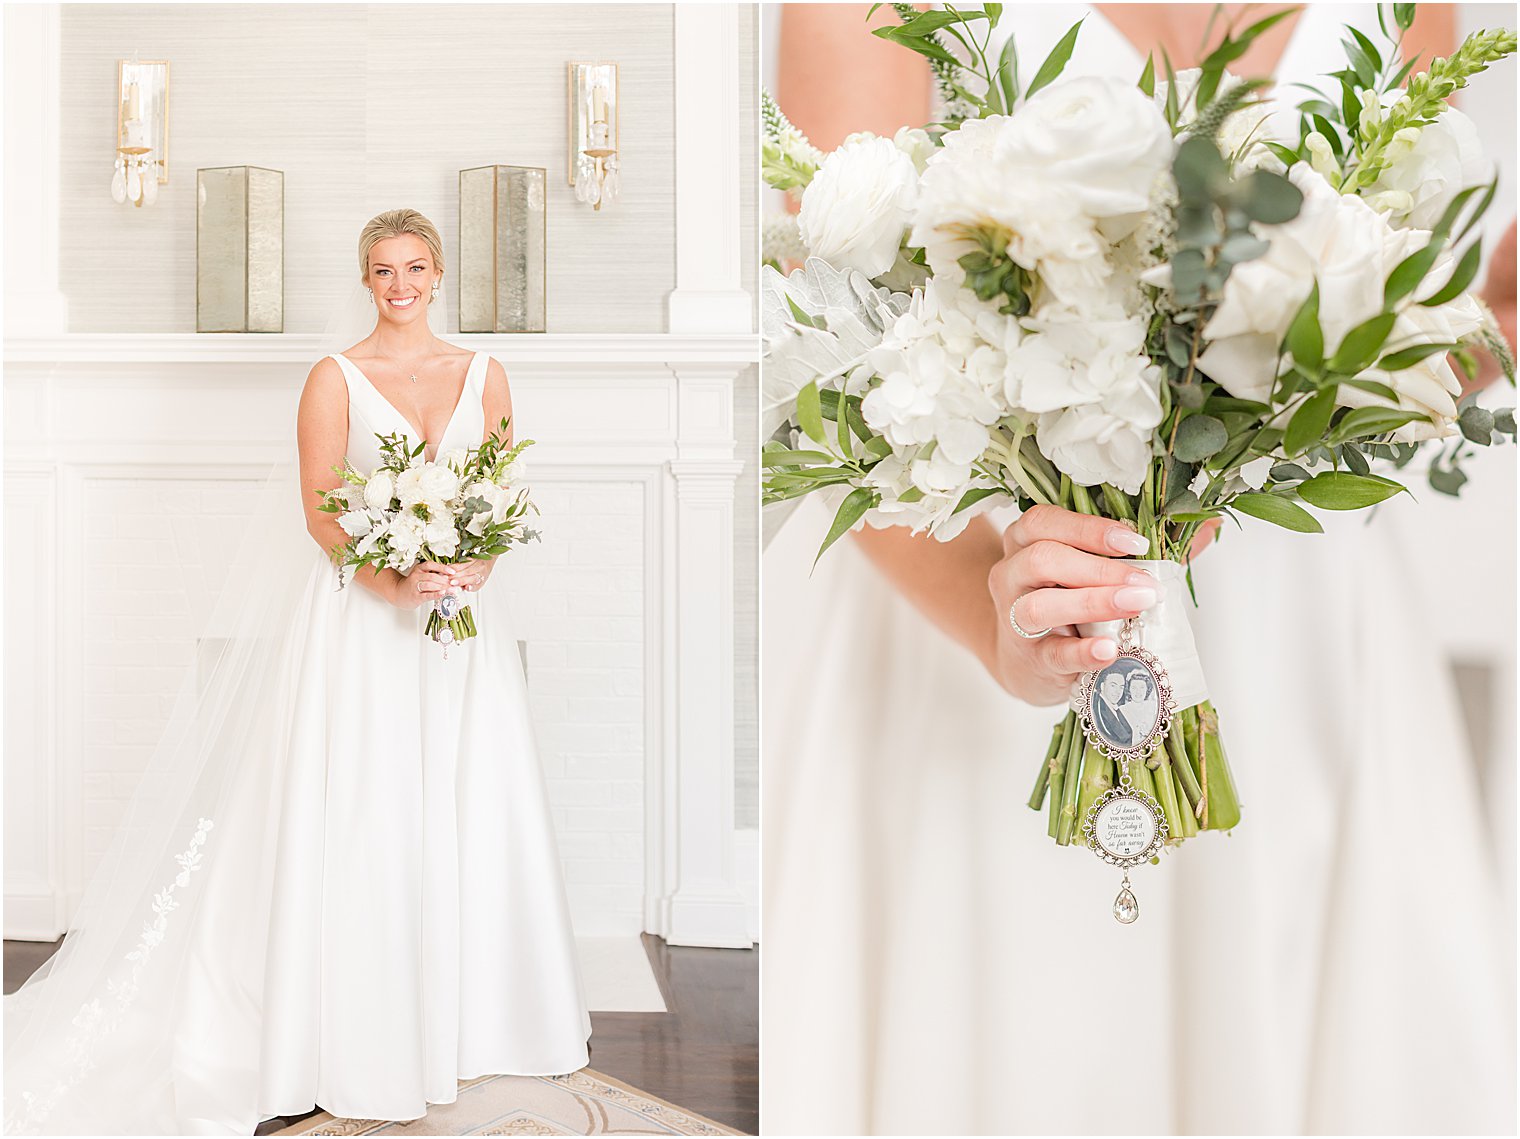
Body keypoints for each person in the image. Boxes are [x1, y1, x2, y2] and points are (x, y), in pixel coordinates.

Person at [763, 5, 1516, 1134]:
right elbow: (824, 367)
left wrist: (1493, 316)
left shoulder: (1410, 13)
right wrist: (990, 612)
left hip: (1299, 641)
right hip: (982, 626)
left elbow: (1367, 362)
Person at [4, 209, 591, 1134]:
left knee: (465, 797)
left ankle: (468, 1018)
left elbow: (499, 491)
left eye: (415, 267)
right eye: (382, 269)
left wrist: (477, 563)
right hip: (363, 621)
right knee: (363, 806)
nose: (400, 284)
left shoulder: (485, 374)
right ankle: (341, 1026)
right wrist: (389, 578)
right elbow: (321, 511)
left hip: (460, 623)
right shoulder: (335, 378)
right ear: (365, 279)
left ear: (440, 274)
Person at [1093, 668, 1133, 748]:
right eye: (1113, 686)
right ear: (1102, 686)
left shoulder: (1116, 708)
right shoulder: (1097, 707)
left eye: (1121, 687)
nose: (1118, 691)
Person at [1119, 669, 1157, 745]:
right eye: (1134, 688)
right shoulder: (1122, 710)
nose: (1138, 692)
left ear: (1147, 689)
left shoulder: (1153, 707)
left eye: (1142, 687)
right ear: (1129, 690)